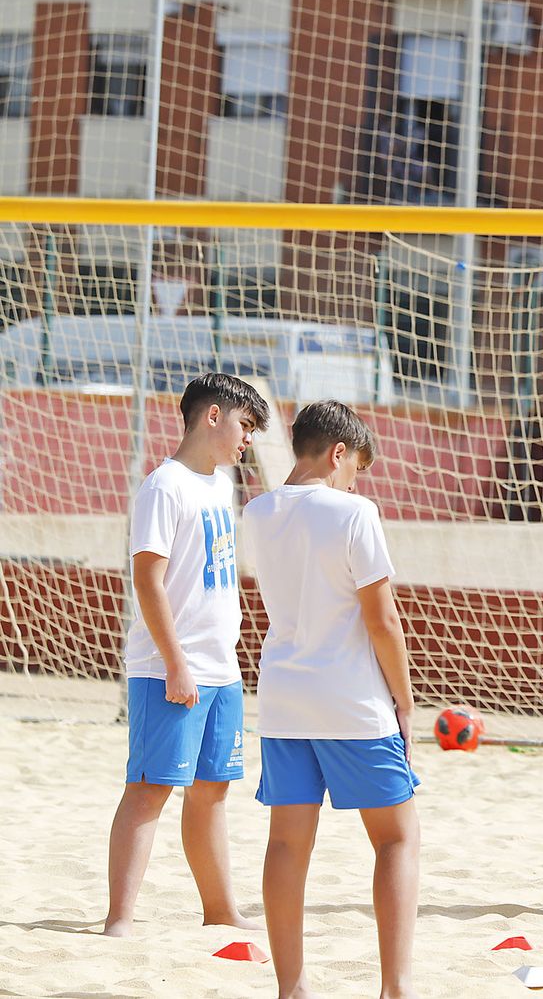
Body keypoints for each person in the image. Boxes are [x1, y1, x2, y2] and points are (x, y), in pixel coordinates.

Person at [245, 401, 420, 999]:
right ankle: (395, 989)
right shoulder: (354, 512)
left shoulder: (258, 511)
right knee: (396, 838)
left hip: (283, 700)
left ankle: (291, 990)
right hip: (353, 702)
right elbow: (383, 621)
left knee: (285, 844)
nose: (356, 482)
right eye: (355, 468)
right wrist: (405, 700)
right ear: (338, 452)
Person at [103, 372, 270, 937]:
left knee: (212, 792)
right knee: (150, 789)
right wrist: (176, 663)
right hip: (168, 669)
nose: (248, 438)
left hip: (222, 669)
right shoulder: (164, 486)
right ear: (212, 416)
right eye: (245, 425)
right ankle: (119, 919)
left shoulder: (222, 485)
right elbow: (147, 581)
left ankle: (220, 910)